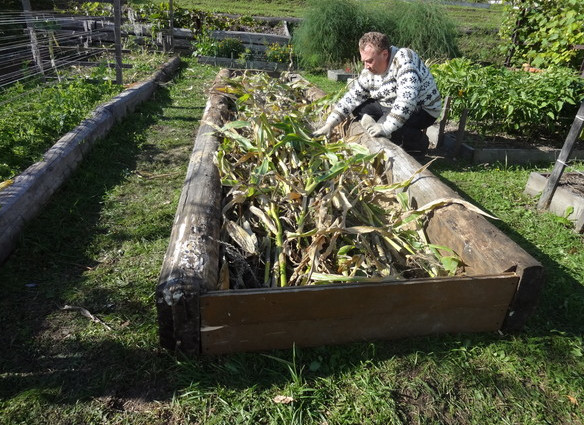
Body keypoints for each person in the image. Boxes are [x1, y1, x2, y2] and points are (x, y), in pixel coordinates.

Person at [313, 32, 442, 156]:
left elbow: (406, 101)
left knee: (387, 132)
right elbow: (352, 97)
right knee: (358, 108)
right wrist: (329, 124)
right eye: (364, 61)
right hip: (389, 103)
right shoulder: (369, 71)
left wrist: (385, 128)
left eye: (369, 61)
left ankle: (419, 143)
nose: (366, 66)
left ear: (385, 54)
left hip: (422, 109)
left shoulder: (404, 61)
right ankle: (387, 125)